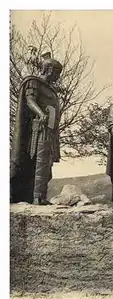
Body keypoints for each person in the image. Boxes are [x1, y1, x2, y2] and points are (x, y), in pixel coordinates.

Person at [10, 55, 63, 205]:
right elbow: (30, 100)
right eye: (56, 72)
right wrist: (40, 114)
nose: (57, 76)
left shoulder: (51, 90)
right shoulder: (33, 82)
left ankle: (40, 196)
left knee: (46, 162)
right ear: (49, 69)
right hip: (38, 128)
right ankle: (35, 197)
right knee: (39, 159)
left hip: (50, 129)